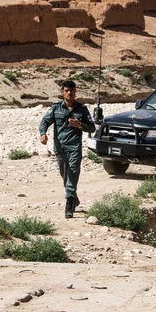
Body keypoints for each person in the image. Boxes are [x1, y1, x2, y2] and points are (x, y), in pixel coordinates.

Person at [39, 80, 95, 218]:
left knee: (73, 172)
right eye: (66, 90)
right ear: (63, 92)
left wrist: (80, 125)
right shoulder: (56, 107)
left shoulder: (82, 109)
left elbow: (92, 127)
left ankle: (69, 206)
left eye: (72, 90)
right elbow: (45, 121)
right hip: (60, 147)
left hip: (74, 147)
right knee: (65, 175)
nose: (69, 93)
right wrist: (43, 134)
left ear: (75, 92)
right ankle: (74, 198)